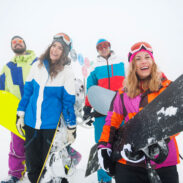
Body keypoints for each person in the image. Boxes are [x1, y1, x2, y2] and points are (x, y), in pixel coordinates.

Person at [98, 42, 180, 183]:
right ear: (132, 65)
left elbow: (177, 119)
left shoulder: (167, 89)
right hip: (128, 163)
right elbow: (112, 122)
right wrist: (104, 146)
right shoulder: (123, 93)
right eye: (138, 58)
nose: (143, 61)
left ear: (152, 62)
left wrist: (156, 139)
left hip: (163, 162)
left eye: (147, 57)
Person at [16, 33, 76, 183]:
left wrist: (71, 127)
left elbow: (68, 103)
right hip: (31, 123)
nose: (55, 50)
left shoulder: (66, 73)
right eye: (54, 45)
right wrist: (20, 114)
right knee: (32, 166)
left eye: (60, 48)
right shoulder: (37, 65)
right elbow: (28, 92)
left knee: (49, 167)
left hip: (50, 127)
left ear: (65, 53)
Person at [83, 39, 125, 183]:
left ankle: (125, 174)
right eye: (99, 47)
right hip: (101, 111)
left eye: (105, 46)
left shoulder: (121, 63)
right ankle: (104, 179)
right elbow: (91, 88)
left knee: (125, 142)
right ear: (97, 50)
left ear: (110, 46)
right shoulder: (95, 67)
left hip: (121, 109)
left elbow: (130, 82)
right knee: (102, 144)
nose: (103, 49)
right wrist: (88, 106)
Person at [0, 36, 37, 183]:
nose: (17, 43)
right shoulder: (7, 67)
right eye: (13, 42)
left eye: (19, 41)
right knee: (17, 144)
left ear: (25, 44)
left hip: (36, 110)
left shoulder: (37, 62)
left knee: (39, 142)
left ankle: (41, 171)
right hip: (16, 113)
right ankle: (15, 175)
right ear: (11, 47)